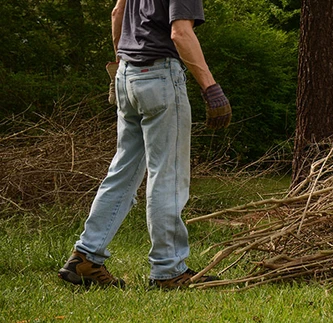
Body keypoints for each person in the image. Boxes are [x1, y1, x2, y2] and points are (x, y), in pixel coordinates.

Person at [57, 0, 231, 289]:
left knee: (122, 171)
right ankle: (169, 270)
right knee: (168, 174)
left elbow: (117, 14)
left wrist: (121, 69)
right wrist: (211, 88)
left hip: (126, 73)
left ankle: (85, 257)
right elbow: (180, 33)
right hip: (160, 77)